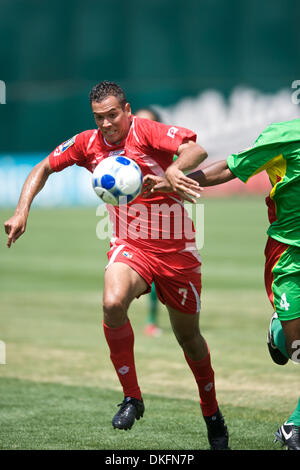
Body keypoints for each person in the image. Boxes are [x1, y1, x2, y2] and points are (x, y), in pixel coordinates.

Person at [4, 81, 229, 450]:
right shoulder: (87, 143)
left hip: (177, 251)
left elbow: (195, 150)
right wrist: (21, 209)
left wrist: (175, 171)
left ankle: (212, 413)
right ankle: (132, 397)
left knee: (189, 339)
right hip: (131, 246)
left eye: (112, 115)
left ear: (127, 110)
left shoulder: (145, 130)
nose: (106, 124)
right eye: (99, 118)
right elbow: (43, 167)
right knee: (111, 303)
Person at [144, 117, 300, 450]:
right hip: (289, 255)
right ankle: (278, 334)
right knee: (296, 347)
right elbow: (231, 168)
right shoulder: (284, 136)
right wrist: (178, 181)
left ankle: (294, 426)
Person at [135, 107, 162, 337]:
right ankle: (151, 320)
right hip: (135, 222)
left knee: (165, 276)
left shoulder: (167, 155)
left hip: (167, 220)